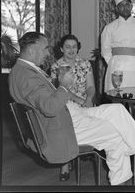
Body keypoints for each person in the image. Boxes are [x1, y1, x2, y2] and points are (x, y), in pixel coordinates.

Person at [9, 32, 135, 186]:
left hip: (70, 112)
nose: (48, 52)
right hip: (61, 125)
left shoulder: (23, 70)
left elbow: (48, 101)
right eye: (45, 48)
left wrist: (67, 93)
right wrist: (63, 87)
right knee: (116, 132)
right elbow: (50, 108)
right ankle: (128, 174)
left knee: (117, 110)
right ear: (32, 50)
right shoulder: (26, 76)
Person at [49, 34, 95, 180]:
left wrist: (88, 98)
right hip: (65, 103)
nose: (71, 50)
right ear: (62, 49)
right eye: (67, 47)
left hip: (84, 101)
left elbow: (91, 86)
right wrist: (78, 100)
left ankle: (87, 151)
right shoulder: (57, 66)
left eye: (74, 46)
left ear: (78, 48)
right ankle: (66, 162)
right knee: (67, 125)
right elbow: (59, 90)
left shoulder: (85, 64)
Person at [101, 0, 135, 92]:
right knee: (116, 98)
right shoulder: (109, 27)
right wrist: (113, 62)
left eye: (127, 5)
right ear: (117, 9)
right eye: (121, 5)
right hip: (116, 67)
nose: (125, 8)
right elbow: (105, 51)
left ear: (131, 6)